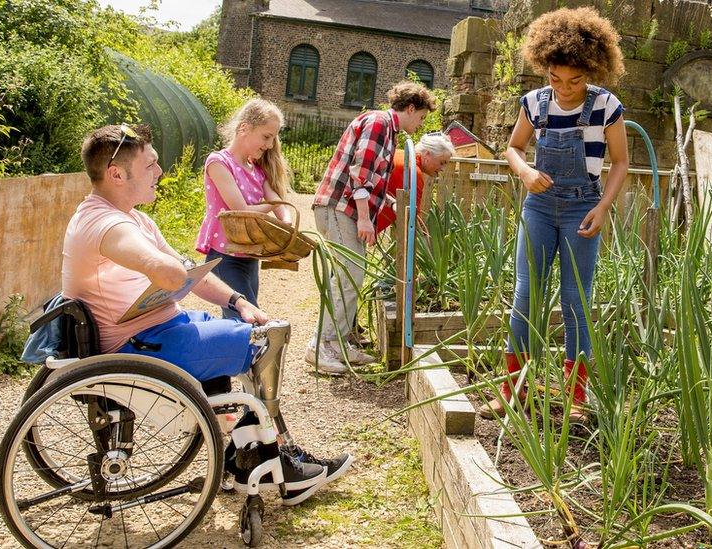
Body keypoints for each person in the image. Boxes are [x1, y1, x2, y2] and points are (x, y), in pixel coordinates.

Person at [62, 123, 352, 504]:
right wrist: (165, 268)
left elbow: (187, 273)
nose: (159, 172)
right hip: (144, 345)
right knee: (269, 337)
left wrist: (239, 302)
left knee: (245, 324)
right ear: (116, 174)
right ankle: (280, 460)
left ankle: (245, 453)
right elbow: (163, 267)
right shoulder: (109, 224)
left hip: (159, 329)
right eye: (150, 165)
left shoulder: (130, 216)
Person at [481, 7, 629, 423]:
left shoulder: (606, 106)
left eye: (575, 80)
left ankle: (576, 397)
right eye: (555, 79)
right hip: (540, 208)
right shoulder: (534, 103)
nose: (564, 89)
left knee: (575, 303)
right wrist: (525, 172)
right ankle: (514, 389)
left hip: (584, 208)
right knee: (525, 296)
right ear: (544, 68)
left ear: (592, 71)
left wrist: (603, 207)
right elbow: (514, 148)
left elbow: (620, 162)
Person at [306, 81, 436, 375]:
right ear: (411, 108)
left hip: (347, 208)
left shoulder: (388, 131)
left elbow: (372, 179)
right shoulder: (379, 123)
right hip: (341, 208)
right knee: (347, 276)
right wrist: (365, 218)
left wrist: (388, 201)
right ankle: (320, 345)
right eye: (422, 117)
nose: (420, 124)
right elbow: (360, 173)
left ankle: (337, 343)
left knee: (351, 276)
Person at [196, 98, 293, 320]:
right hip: (225, 255)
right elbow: (240, 210)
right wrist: (273, 206)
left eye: (273, 138)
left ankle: (236, 354)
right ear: (244, 128)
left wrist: (287, 224)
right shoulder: (219, 163)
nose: (269, 145)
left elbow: (278, 202)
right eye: (266, 137)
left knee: (240, 320)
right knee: (247, 319)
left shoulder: (256, 170)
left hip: (249, 254)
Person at [375, 132, 456, 234]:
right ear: (427, 154)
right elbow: (412, 219)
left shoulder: (400, 154)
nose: (443, 169)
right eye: (442, 162)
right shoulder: (412, 172)